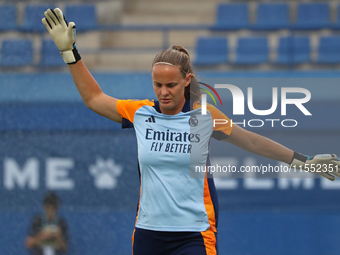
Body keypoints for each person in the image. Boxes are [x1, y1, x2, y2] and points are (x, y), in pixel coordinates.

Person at [41, 8, 340, 255]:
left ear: (187, 81)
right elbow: (94, 99)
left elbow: (251, 141)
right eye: (158, 85)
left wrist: (306, 161)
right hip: (148, 233)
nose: (163, 92)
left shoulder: (203, 115)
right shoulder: (141, 113)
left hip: (194, 235)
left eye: (170, 85)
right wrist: (69, 52)